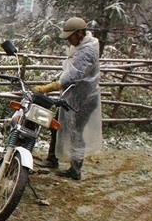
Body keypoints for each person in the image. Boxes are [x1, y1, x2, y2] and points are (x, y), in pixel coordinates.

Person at [33, 17, 102, 180]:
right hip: (74, 97)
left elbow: (74, 75)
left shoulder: (87, 50)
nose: (68, 41)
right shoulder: (83, 46)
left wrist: (48, 87)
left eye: (70, 36)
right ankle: (52, 159)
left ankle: (75, 169)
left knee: (76, 132)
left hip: (83, 100)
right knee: (56, 125)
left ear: (79, 34)